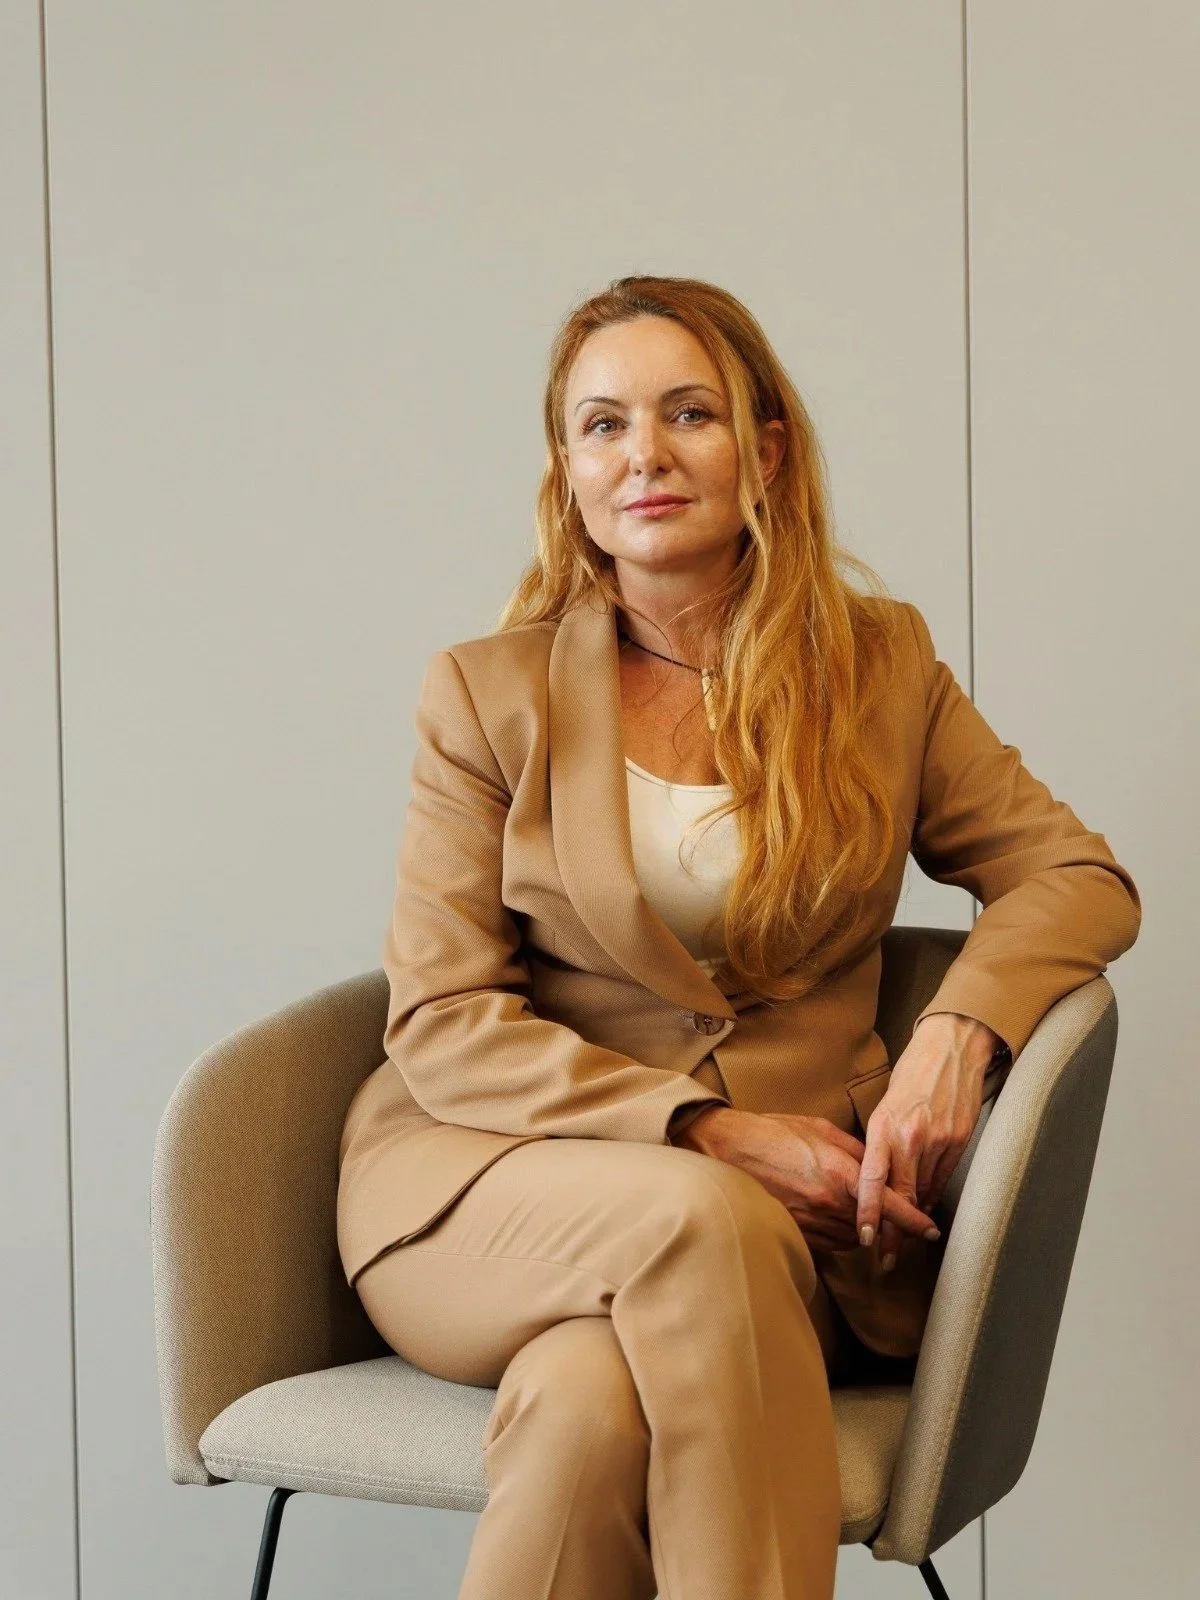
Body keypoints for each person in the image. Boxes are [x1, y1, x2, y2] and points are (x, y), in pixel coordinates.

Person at [336, 274, 1141, 1600]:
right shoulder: (487, 695)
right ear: (568, 474)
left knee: (588, 1409)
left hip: (789, 1251)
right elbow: (442, 1022)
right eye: (602, 425)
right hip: (487, 1189)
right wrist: (705, 1131)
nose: (643, 454)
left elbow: (1075, 875)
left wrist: (959, 1030)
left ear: (764, 452)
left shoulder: (880, 669)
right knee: (703, 1218)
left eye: (688, 413)